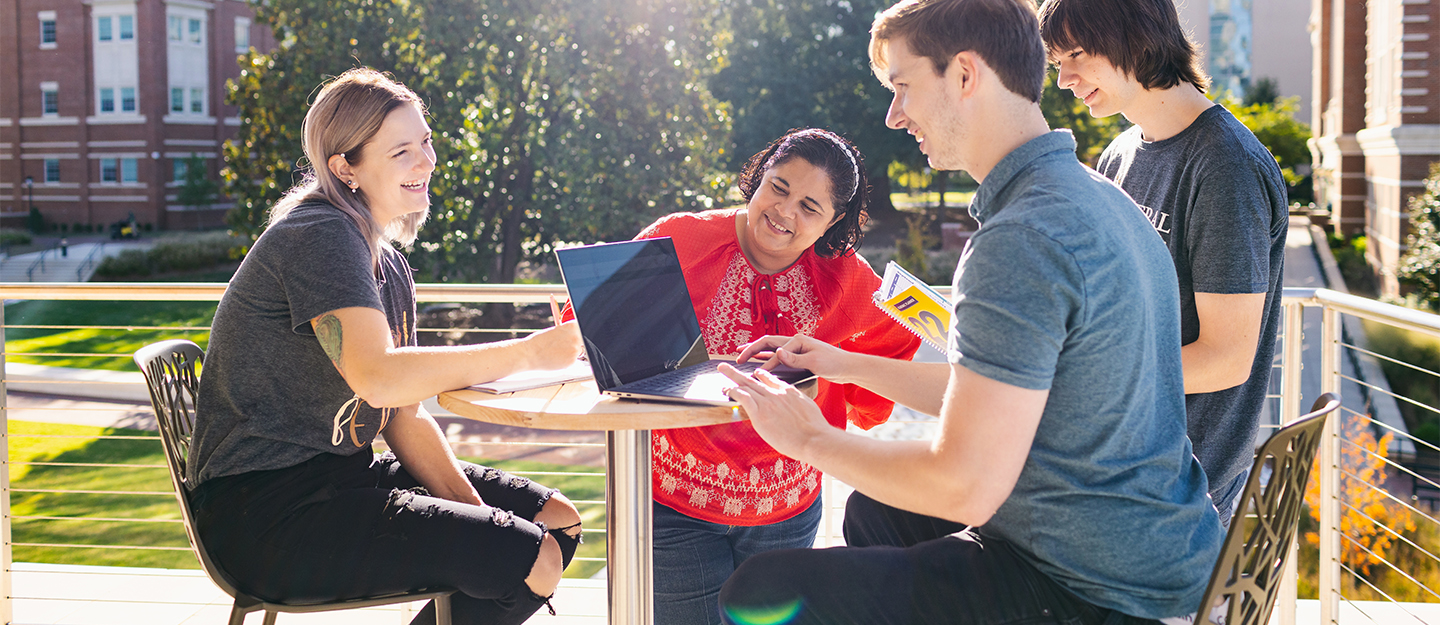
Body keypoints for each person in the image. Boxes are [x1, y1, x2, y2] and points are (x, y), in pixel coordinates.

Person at [713, 0, 1223, 623]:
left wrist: (809, 436)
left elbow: (965, 484)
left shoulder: (1022, 238)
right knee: (876, 513)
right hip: (1157, 552)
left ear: (963, 75)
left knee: (761, 592)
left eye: (903, 87)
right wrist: (839, 363)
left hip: (1093, 587)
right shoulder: (1097, 199)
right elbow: (993, 389)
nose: (894, 116)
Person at [187, 68, 586, 625]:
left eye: (425, 141)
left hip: (345, 478)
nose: (427, 162)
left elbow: (403, 416)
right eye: (402, 151)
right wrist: (530, 351)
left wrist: (483, 523)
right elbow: (377, 377)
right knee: (532, 557)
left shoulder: (387, 261)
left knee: (557, 522)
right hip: (265, 514)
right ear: (345, 168)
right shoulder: (318, 236)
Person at [628, 128, 921, 625]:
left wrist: (840, 396)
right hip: (675, 505)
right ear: (759, 176)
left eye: (810, 207)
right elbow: (606, 313)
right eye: (779, 188)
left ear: (834, 221)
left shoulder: (847, 277)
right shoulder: (679, 235)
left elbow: (896, 336)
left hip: (787, 509)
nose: (785, 213)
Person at [1038, 0, 1289, 528]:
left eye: (1076, 55)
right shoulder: (1121, 153)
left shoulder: (1225, 166)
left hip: (1178, 485)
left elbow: (1226, 358)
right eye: (1058, 62)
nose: (1064, 79)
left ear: (1135, 34)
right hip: (1112, 454)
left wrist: (1086, 373)